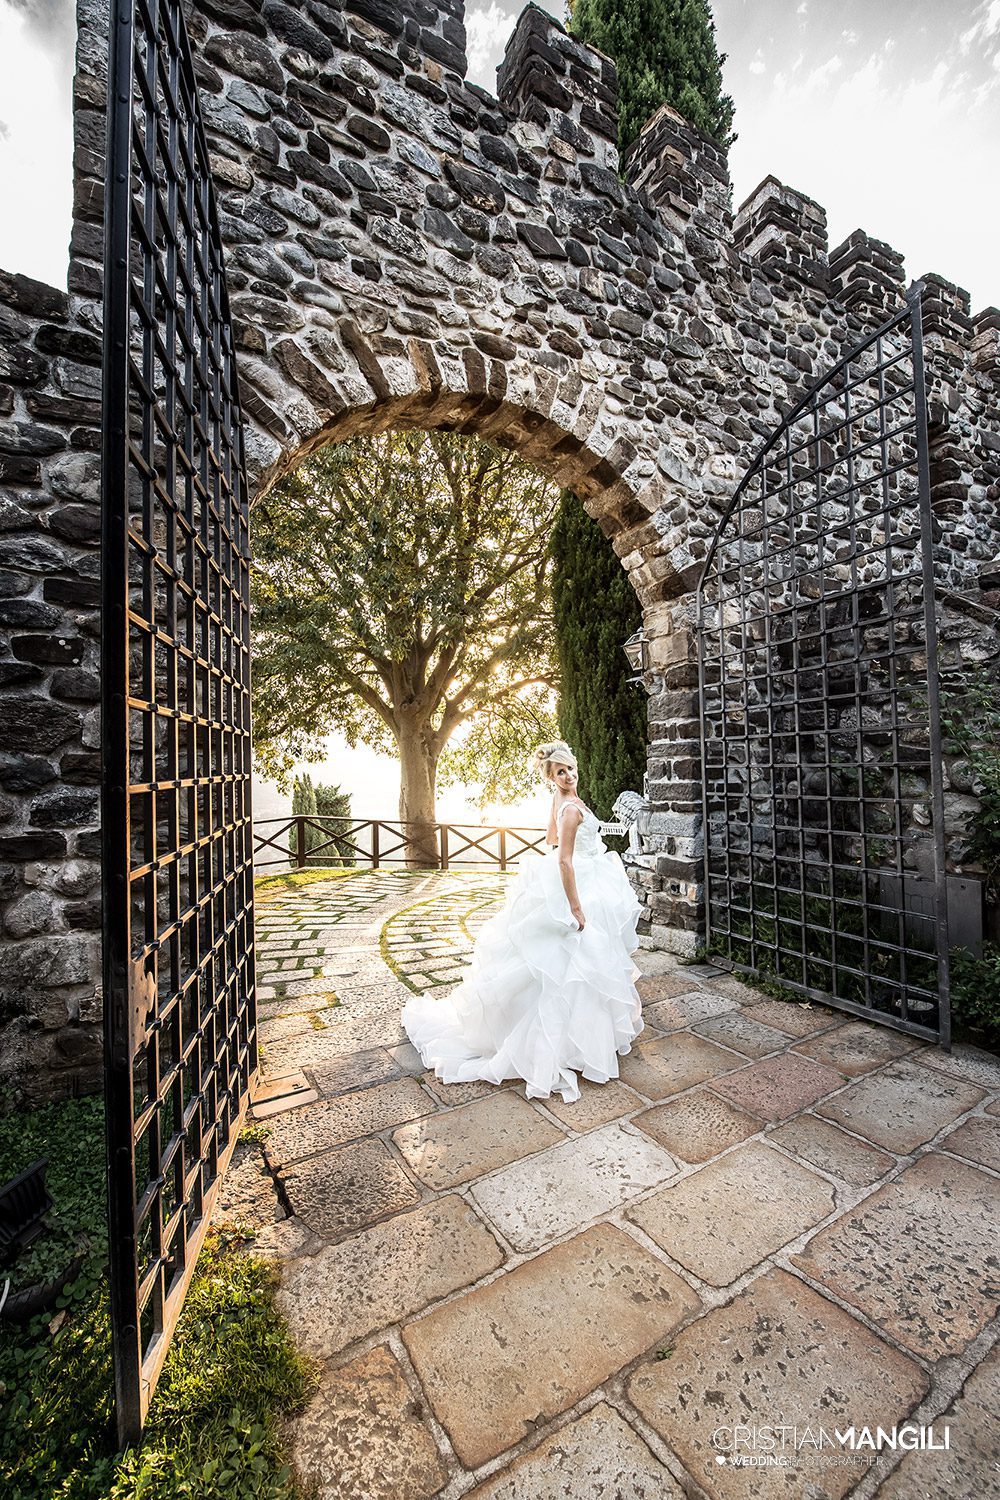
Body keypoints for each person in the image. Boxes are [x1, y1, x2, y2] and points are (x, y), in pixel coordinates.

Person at [401, 741, 644, 1104]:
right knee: (577, 965)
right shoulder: (570, 809)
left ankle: (578, 1039)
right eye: (559, 772)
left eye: (570, 769)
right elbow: (564, 860)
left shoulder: (564, 804)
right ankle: (565, 1046)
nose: (568, 775)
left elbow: (550, 839)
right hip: (581, 885)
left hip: (586, 873)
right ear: (551, 776)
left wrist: (593, 830)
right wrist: (576, 909)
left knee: (575, 966)